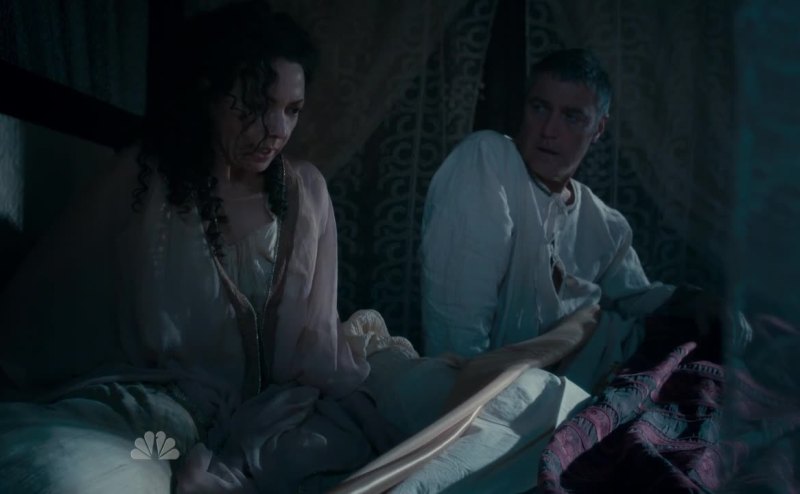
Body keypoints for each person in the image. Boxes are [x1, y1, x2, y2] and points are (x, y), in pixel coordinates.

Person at [0, 3, 409, 492]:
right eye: (256, 105)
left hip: (274, 411)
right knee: (116, 462)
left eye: (292, 110)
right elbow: (44, 292)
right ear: (209, 94)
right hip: (168, 405)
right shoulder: (145, 178)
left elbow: (317, 341)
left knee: (349, 451)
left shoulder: (305, 190)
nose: (278, 130)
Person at [420, 49, 676, 394]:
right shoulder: (488, 162)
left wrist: (697, 303)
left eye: (572, 117)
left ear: (598, 128)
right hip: (494, 392)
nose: (549, 130)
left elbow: (638, 297)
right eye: (539, 108)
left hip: (591, 382)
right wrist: (468, 397)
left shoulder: (607, 225)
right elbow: (456, 327)